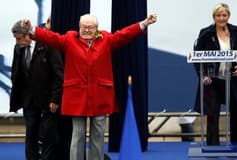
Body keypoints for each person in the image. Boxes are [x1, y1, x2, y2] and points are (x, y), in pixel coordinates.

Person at [20, 13, 157, 160]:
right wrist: (31, 29)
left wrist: (144, 23)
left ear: (96, 28)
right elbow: (51, 38)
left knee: (97, 135)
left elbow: (124, 35)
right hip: (77, 97)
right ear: (79, 27)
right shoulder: (69, 39)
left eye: (90, 27)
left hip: (100, 96)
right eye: (83, 27)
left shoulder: (106, 39)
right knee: (77, 134)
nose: (86, 30)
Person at [193, 3, 237, 153]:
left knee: (236, 113)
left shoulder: (236, 31)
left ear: (228, 16)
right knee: (212, 115)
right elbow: (198, 58)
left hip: (231, 80)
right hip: (212, 81)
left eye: (224, 15)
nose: (221, 18)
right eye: (218, 15)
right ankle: (212, 149)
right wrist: (203, 75)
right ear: (214, 17)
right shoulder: (205, 33)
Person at [10, 18, 65, 160]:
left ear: (29, 35)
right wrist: (17, 99)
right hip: (29, 100)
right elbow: (16, 73)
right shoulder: (19, 48)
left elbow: (59, 75)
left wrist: (55, 99)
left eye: (19, 38)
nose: (17, 42)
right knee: (31, 134)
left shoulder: (48, 45)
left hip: (48, 100)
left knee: (48, 136)